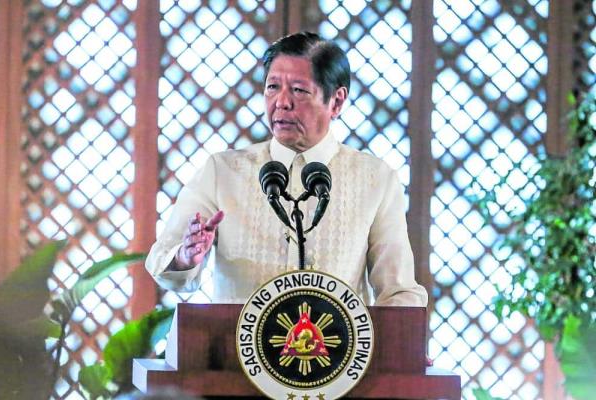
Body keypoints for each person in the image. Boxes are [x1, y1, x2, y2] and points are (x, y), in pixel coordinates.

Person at [146, 32, 428, 306]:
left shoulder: (375, 179)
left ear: (337, 101)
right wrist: (186, 256)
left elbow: (397, 290)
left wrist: (407, 346)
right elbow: (162, 262)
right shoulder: (222, 171)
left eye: (298, 90)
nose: (282, 102)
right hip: (237, 352)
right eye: (272, 87)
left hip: (333, 349)